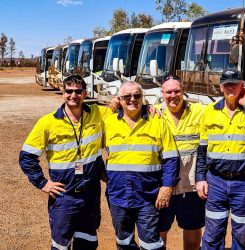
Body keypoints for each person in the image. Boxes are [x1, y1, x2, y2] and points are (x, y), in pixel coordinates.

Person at [19, 74, 111, 250]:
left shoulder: (98, 113)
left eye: (78, 91)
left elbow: (126, 106)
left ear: (85, 93)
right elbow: (26, 157)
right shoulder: (48, 122)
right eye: (69, 91)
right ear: (63, 93)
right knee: (61, 245)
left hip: (91, 194)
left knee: (88, 242)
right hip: (64, 195)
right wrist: (43, 184)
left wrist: (150, 109)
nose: (73, 95)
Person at [195, 68, 245, 249]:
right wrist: (200, 178)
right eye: (227, 84)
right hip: (216, 181)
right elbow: (202, 150)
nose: (231, 88)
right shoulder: (209, 112)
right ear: (221, 87)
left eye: (235, 84)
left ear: (242, 86)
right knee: (212, 234)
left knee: (243, 235)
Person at [103, 81, 180, 250]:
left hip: (148, 195)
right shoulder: (107, 122)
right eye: (127, 97)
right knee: (123, 242)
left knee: (151, 243)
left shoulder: (157, 121)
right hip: (118, 194)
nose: (132, 99)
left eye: (137, 95)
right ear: (120, 100)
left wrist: (167, 187)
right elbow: (90, 150)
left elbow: (171, 158)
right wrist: (102, 173)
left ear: (143, 98)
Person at [157, 75, 205, 250]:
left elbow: (222, 108)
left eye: (177, 91)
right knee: (158, 237)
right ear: (162, 93)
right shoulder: (153, 113)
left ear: (183, 91)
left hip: (191, 187)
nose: (173, 95)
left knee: (192, 241)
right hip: (162, 187)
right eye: (168, 92)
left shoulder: (200, 111)